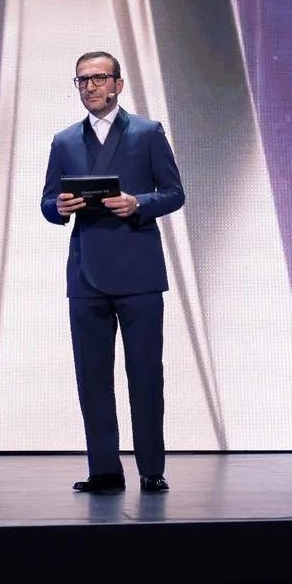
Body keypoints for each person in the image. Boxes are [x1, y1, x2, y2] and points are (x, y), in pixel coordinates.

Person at [41, 48, 184, 494]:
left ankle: (152, 469)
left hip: (140, 272)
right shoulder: (65, 141)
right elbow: (47, 203)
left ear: (118, 84)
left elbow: (174, 193)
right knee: (93, 377)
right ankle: (104, 470)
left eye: (99, 78)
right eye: (82, 80)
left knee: (146, 375)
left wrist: (139, 202)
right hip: (86, 274)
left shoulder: (147, 132)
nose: (90, 86)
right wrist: (59, 206)